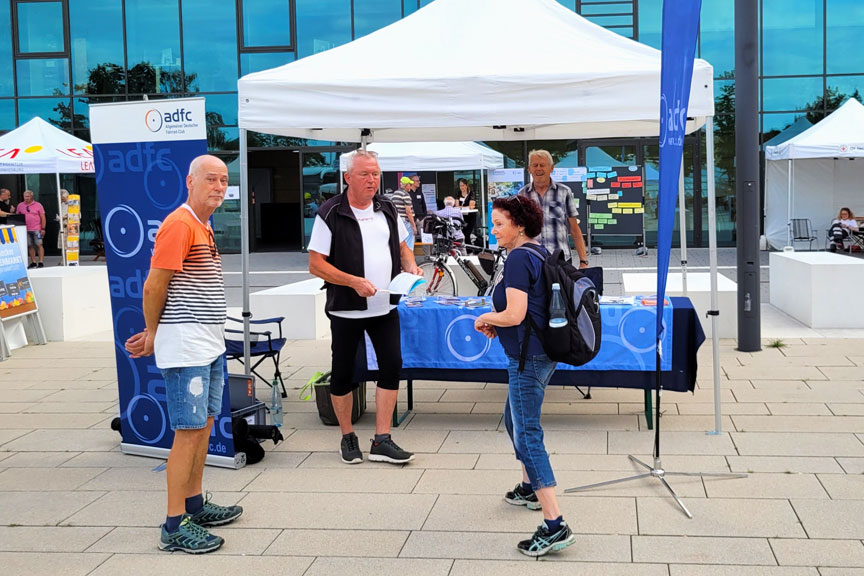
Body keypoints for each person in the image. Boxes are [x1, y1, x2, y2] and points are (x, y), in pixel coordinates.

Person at [124, 155, 242, 554]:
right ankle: (174, 525)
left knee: (204, 427)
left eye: (224, 180)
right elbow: (154, 285)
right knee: (188, 434)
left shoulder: (202, 225)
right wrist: (154, 333)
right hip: (187, 345)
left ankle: (194, 504)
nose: (218, 186)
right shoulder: (179, 223)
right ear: (189, 180)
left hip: (209, 343)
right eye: (211, 179)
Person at [473, 195, 575, 558]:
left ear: (518, 224)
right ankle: (530, 487)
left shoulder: (518, 258)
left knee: (527, 434)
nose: (494, 230)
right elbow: (529, 310)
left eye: (499, 224)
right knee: (513, 421)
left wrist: (486, 318)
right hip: (540, 353)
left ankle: (555, 523)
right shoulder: (538, 252)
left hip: (527, 359)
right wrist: (498, 325)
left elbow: (514, 314)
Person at [308, 150, 422, 465]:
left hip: (385, 306)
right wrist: (352, 281)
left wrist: (410, 266)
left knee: (392, 366)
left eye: (375, 173)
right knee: (344, 374)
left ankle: (382, 439)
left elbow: (402, 247)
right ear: (348, 177)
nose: (372, 180)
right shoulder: (330, 212)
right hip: (346, 308)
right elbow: (316, 265)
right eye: (364, 174)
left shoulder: (386, 206)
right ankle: (347, 437)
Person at [518, 149, 589, 269]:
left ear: (551, 168)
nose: (539, 168)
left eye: (542, 165)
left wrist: (583, 261)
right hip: (532, 259)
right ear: (529, 169)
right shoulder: (522, 195)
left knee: (562, 288)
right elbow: (518, 229)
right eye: (535, 165)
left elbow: (574, 227)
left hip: (561, 259)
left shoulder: (564, 192)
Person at [17, 190, 45, 269]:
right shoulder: (20, 205)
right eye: (25, 196)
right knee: (29, 245)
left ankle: (41, 261)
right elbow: (17, 216)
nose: (26, 198)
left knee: (39, 244)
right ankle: (33, 262)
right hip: (25, 229)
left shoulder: (38, 205)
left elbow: (43, 217)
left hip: (37, 228)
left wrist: (43, 228)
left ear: (32, 197)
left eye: (28, 196)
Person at [391, 176, 417, 250]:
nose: (410, 186)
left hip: (397, 220)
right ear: (406, 185)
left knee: (400, 242)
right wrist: (414, 226)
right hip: (405, 220)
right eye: (410, 184)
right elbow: (408, 212)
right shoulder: (406, 195)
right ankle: (409, 260)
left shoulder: (395, 193)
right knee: (409, 243)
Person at [456, 178, 478, 243]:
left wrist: (462, 207)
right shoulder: (458, 193)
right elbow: (457, 206)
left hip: (470, 216)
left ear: (466, 185)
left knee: (467, 234)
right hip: (462, 217)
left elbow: (471, 206)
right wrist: (465, 207)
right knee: (462, 234)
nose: (461, 187)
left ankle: (469, 250)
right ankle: (465, 250)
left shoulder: (471, 193)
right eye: (460, 186)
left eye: (463, 185)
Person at [57, 189, 69, 258]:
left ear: (67, 196)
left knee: (69, 244)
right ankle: (64, 259)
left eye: (63, 198)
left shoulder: (73, 203)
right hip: (62, 226)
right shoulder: (62, 204)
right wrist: (59, 217)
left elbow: (76, 215)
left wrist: (64, 217)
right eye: (61, 198)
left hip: (69, 226)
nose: (62, 200)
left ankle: (69, 259)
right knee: (63, 245)